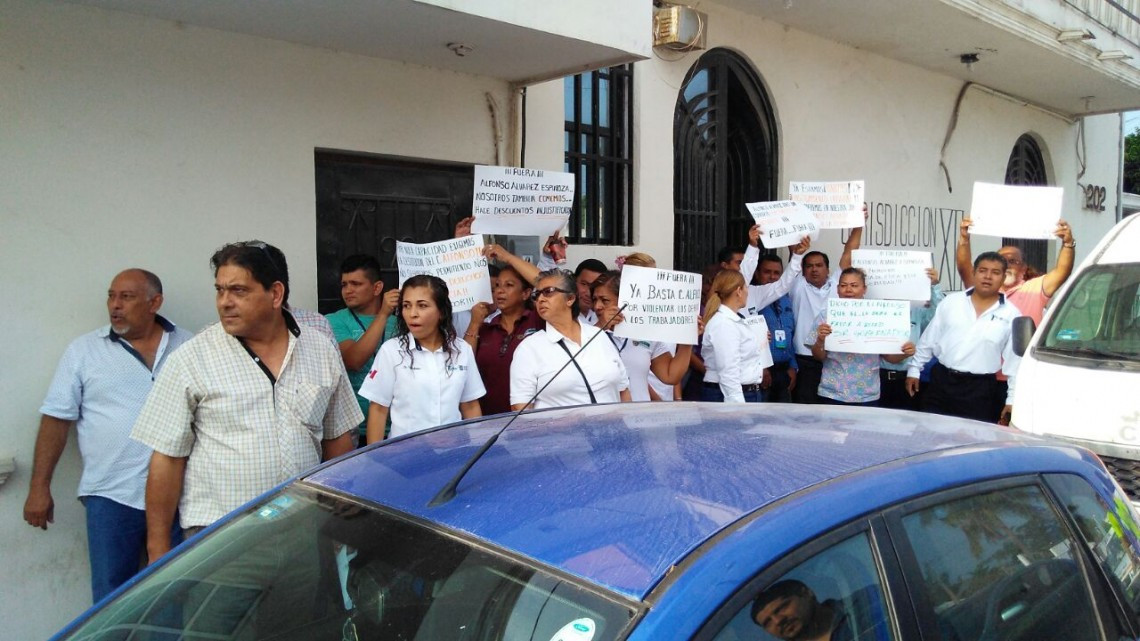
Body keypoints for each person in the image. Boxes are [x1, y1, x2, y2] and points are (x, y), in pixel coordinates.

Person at [132, 241, 360, 562]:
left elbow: (337, 439)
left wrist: (337, 515)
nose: (225, 302)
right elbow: (167, 459)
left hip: (305, 532)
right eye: (220, 290)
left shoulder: (320, 349)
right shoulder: (192, 359)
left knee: (308, 613)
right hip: (222, 540)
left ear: (275, 294)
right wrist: (158, 549)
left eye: (238, 291)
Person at [23, 269, 191, 602]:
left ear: (154, 302)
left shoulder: (190, 345)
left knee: (175, 594)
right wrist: (39, 487)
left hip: (181, 494)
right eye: (111, 296)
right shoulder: (84, 351)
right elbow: (57, 419)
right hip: (112, 495)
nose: (115, 306)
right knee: (112, 600)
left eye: (126, 297)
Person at [358, 275, 485, 442]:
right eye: (406, 306)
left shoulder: (462, 350)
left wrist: (478, 450)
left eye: (422, 306)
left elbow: (470, 405)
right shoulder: (392, 351)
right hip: (405, 455)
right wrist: (375, 460)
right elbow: (379, 409)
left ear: (441, 311)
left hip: (455, 453)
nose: (413, 314)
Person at [906, 252, 1022, 423]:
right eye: (983, 270)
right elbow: (930, 338)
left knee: (970, 442)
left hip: (980, 390)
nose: (988, 277)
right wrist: (914, 369)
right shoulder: (952, 302)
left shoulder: (1012, 314)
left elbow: (1015, 363)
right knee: (930, 434)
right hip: (942, 382)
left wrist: (1011, 399)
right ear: (974, 272)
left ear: (1004, 277)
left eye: (995, 272)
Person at [510, 269, 631, 409]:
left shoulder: (600, 336)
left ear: (570, 299)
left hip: (612, 429)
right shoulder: (529, 348)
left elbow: (624, 392)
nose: (541, 299)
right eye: (536, 295)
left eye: (548, 291)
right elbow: (521, 409)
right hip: (557, 431)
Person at [809, 268, 916, 406]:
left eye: (854, 286)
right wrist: (819, 341)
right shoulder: (826, 315)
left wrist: (905, 353)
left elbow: (889, 357)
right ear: (837, 289)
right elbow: (818, 356)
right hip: (832, 391)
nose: (848, 290)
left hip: (867, 394)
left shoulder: (878, 315)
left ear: (864, 289)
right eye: (843, 285)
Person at [785, 220, 864, 404]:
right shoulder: (797, 285)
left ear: (828, 269)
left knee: (832, 412)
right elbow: (793, 252)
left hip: (835, 360)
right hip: (805, 361)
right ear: (802, 271)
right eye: (809, 266)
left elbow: (849, 253)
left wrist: (859, 223)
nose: (814, 269)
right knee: (807, 414)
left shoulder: (838, 285)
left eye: (819, 265)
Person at [325, 254, 400, 443]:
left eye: (356, 284)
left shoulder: (403, 322)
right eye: (344, 285)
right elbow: (353, 361)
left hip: (398, 425)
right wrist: (383, 314)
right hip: (353, 429)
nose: (348, 290)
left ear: (377, 288)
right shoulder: (334, 320)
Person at [590, 271, 693, 402]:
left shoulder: (646, 333)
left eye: (605, 300)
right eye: (595, 300)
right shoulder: (586, 333)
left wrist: (687, 341)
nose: (597, 306)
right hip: (603, 417)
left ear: (625, 300)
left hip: (639, 417)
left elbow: (670, 376)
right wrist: (602, 326)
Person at [955, 217, 1076, 325]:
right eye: (1002, 260)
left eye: (1013, 261)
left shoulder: (1034, 289)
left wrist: (1068, 244)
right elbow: (964, 267)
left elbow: (1062, 272)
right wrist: (964, 239)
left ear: (1024, 268)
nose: (1006, 265)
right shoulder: (984, 286)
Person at [465, 265, 542, 415]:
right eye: (497, 286)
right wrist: (474, 323)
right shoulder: (486, 328)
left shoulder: (538, 321)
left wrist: (505, 256)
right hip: (489, 419)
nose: (499, 291)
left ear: (526, 293)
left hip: (528, 419)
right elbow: (463, 363)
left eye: (509, 285)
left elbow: (546, 282)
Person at [879, 268, 945, 410]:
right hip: (879, 378)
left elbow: (939, 313)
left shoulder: (917, 311)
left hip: (909, 377)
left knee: (908, 427)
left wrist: (934, 286)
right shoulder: (876, 311)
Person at [701, 270, 771, 403]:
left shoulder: (734, 320)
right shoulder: (724, 323)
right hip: (730, 394)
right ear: (739, 291)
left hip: (744, 392)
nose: (747, 292)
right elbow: (728, 369)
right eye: (746, 287)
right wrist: (736, 405)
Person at [752, 579, 861, 641]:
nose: (778, 621)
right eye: (767, 622)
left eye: (781, 608)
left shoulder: (866, 602)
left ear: (807, 593)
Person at [755, 255, 798, 402]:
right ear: (757, 274)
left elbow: (789, 334)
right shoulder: (751, 299)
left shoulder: (786, 299)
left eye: (776, 273)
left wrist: (792, 366)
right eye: (767, 272)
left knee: (784, 420)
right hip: (761, 371)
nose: (772, 277)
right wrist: (761, 367)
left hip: (784, 370)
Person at [573, 258, 608, 326]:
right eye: (584, 284)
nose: (589, 293)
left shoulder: (607, 315)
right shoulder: (562, 312)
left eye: (595, 286)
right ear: (574, 281)